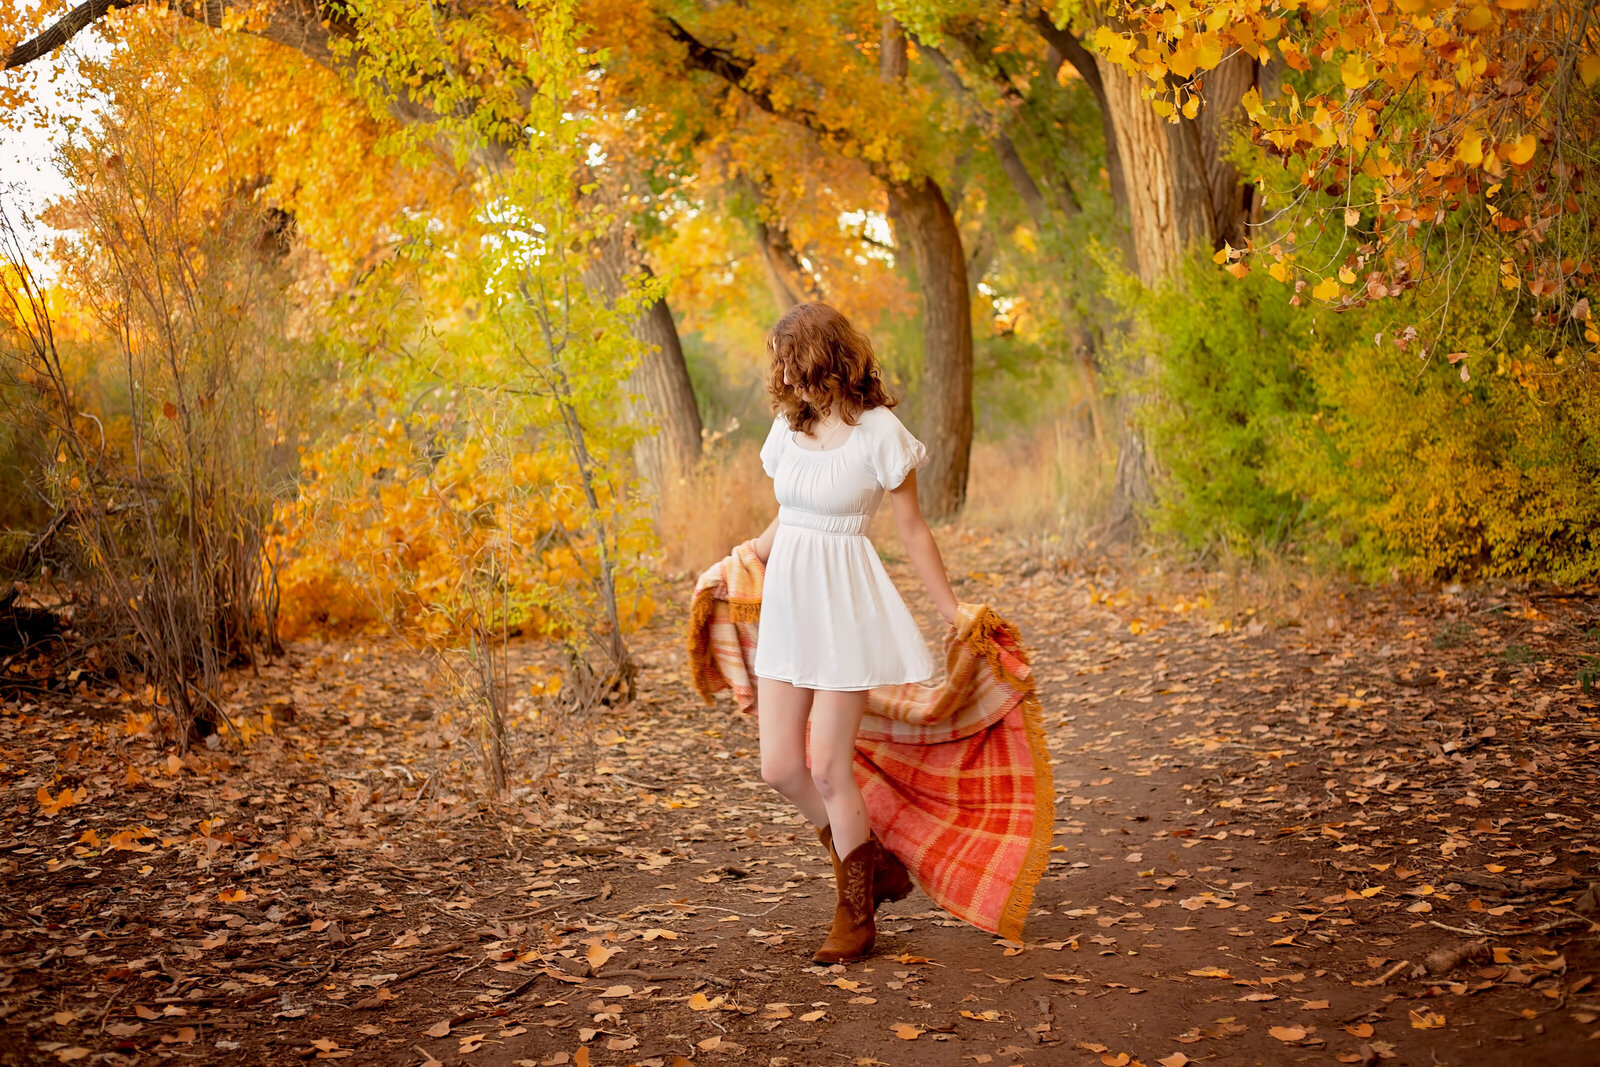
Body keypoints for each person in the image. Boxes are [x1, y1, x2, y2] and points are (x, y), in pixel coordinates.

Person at [749, 301, 960, 964]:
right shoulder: (788, 429)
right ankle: (871, 860)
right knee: (780, 766)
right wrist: (745, 554)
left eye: (793, 361)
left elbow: (913, 530)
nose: (784, 376)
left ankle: (856, 911)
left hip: (843, 608)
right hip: (787, 603)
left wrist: (952, 609)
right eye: (779, 364)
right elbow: (790, 514)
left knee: (831, 769)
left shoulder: (880, 433)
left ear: (826, 358)